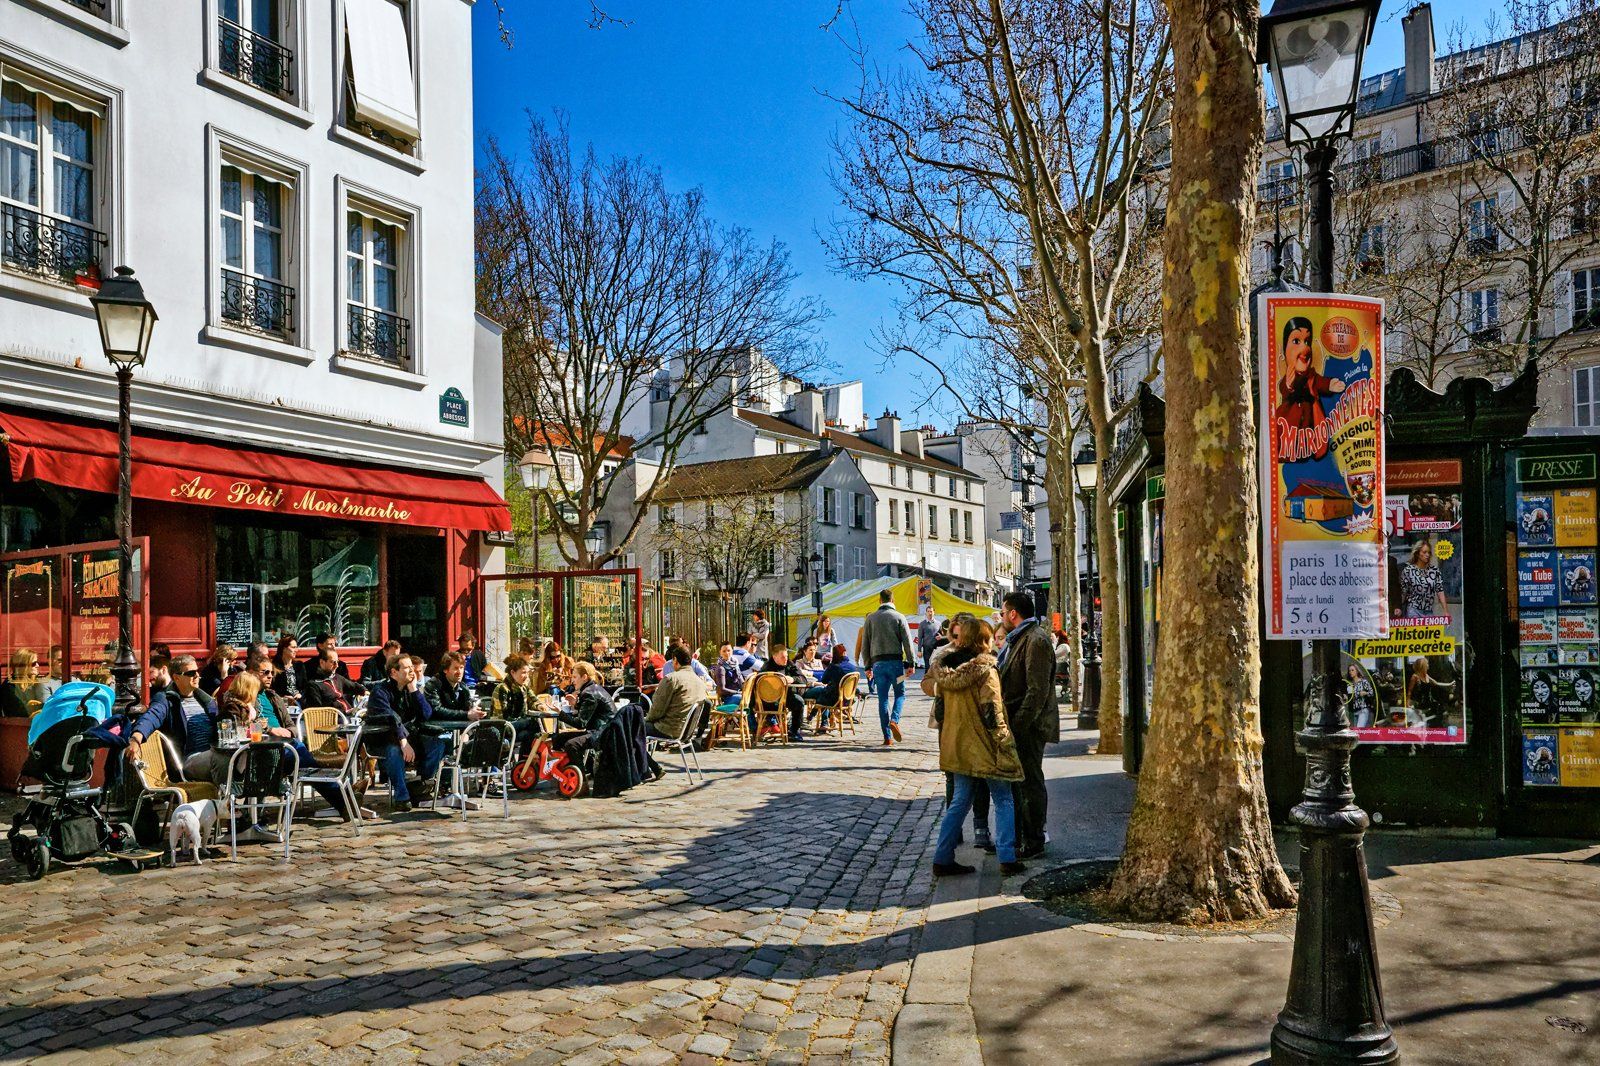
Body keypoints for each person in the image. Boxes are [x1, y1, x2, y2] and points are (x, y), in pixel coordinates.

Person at [931, 618, 1025, 877]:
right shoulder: (986, 670)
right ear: (983, 641)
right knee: (1003, 798)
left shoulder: (944, 670)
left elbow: (940, 711)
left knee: (960, 801)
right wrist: (1005, 740)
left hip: (957, 743)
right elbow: (992, 710)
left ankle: (942, 857)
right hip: (985, 745)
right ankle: (1007, 856)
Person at [998, 591, 1058, 861]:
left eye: (1002, 612)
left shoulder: (1036, 640)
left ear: (1013, 614)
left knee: (1030, 782)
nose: (1001, 617)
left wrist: (1019, 725)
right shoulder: (1022, 638)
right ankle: (1027, 836)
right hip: (1022, 723)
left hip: (1030, 726)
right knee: (1023, 782)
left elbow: (1037, 691)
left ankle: (1035, 839)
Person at [365, 653, 445, 812]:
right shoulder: (379, 692)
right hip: (383, 740)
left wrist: (414, 689)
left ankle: (419, 786)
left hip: (409, 737)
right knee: (394, 751)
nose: (412, 671)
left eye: (412, 667)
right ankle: (402, 797)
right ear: (394, 673)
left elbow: (426, 714)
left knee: (437, 745)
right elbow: (391, 718)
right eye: (407, 668)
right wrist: (403, 742)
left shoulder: (410, 689)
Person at [127, 655, 218, 781]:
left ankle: (236, 798)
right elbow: (150, 717)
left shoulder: (206, 701)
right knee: (220, 759)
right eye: (191, 673)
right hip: (187, 761)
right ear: (176, 677)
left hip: (212, 753)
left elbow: (223, 723)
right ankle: (228, 797)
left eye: (197, 671)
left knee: (243, 755)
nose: (197, 676)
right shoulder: (166, 699)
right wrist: (136, 739)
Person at [1273, 315, 1345, 461]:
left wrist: (1330, 384)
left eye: (1307, 341)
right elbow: (1284, 388)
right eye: (1296, 341)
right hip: (1289, 432)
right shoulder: (1287, 379)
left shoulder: (1311, 377)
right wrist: (1289, 383)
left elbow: (1320, 382)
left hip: (1311, 432)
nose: (1305, 348)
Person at [860, 589, 915, 745]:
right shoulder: (899, 617)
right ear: (893, 600)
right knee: (900, 694)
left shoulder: (870, 618)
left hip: (878, 665)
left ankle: (887, 737)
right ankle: (894, 719)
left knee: (882, 699)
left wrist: (867, 666)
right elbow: (907, 642)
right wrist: (911, 663)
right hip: (896, 665)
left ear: (880, 600)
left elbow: (865, 645)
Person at [644, 646, 707, 770]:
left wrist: (646, 720)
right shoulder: (700, 682)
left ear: (675, 660)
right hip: (686, 731)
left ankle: (649, 768)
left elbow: (657, 710)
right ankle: (650, 767)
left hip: (668, 729)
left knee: (628, 728)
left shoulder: (672, 679)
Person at [756, 644, 809, 742]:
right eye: (782, 657)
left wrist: (792, 679)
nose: (785, 659)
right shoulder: (766, 667)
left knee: (799, 701)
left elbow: (803, 679)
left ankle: (794, 731)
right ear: (774, 657)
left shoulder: (789, 664)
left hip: (786, 697)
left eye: (786, 656)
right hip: (769, 701)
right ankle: (774, 726)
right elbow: (759, 683)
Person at [803, 645, 858, 730]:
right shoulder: (853, 668)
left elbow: (824, 680)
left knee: (820, 693)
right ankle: (820, 722)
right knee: (823, 692)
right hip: (847, 699)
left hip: (833, 699)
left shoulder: (834, 667)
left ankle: (813, 719)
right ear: (844, 653)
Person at [300, 649, 367, 711]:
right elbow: (317, 710)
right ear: (322, 662)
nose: (337, 666)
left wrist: (364, 691)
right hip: (333, 719)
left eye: (337, 662)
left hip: (349, 715)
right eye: (333, 662)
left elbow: (354, 686)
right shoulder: (313, 685)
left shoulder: (337, 678)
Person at [2, 648, 44, 718]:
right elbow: (20, 714)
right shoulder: (9, 687)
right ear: (23, 666)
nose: (38, 665)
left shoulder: (35, 683)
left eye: (37, 662)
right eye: (34, 663)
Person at [270, 637, 303, 703]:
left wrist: (300, 694)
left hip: (299, 701)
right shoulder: (274, 666)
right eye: (293, 647)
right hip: (282, 702)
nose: (296, 650)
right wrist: (283, 697)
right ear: (284, 649)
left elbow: (305, 686)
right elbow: (272, 688)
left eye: (296, 647)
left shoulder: (299, 665)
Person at [917, 606, 940, 671]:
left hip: (936, 650)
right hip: (926, 650)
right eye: (928, 611)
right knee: (928, 668)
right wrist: (919, 650)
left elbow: (941, 636)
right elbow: (920, 638)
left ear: (934, 612)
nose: (930, 613)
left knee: (936, 668)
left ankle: (934, 681)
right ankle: (927, 681)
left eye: (931, 611)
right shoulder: (922, 624)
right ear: (926, 613)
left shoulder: (938, 624)